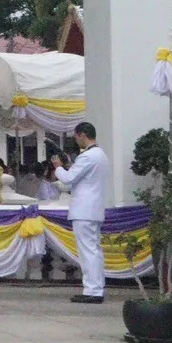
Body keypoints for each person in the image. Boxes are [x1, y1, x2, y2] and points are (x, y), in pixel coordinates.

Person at [57, 123, 111, 304]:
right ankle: (96, 287)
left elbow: (68, 178)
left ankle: (92, 290)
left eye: (77, 136)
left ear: (83, 135)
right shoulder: (100, 154)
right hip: (94, 208)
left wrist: (58, 167)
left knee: (88, 251)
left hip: (84, 209)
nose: (76, 140)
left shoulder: (87, 156)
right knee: (94, 250)